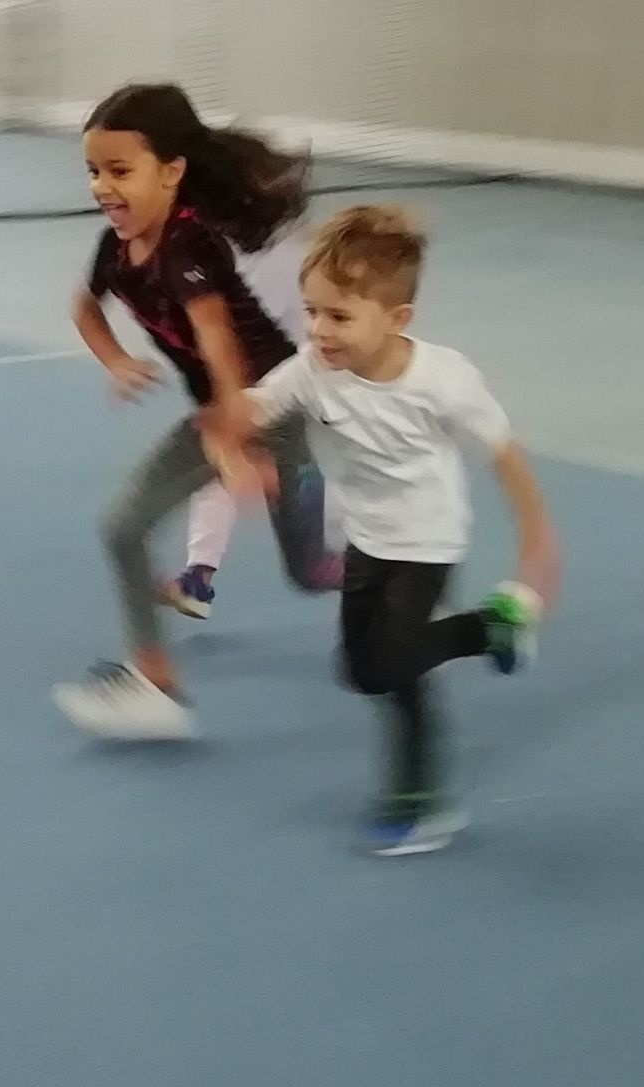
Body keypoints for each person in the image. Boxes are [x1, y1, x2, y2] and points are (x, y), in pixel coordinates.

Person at [202, 203, 560, 854]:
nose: (319, 330)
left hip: (428, 542)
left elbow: (504, 451)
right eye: (312, 312)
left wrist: (537, 536)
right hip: (366, 540)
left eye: (338, 316)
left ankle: (421, 799)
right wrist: (230, 437)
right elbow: (252, 409)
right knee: (365, 671)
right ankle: (491, 632)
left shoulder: (442, 381)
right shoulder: (312, 371)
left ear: (398, 318)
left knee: (395, 666)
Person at [53, 83, 339, 741]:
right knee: (123, 527)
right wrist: (117, 362)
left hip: (269, 406)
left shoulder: (188, 248)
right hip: (223, 411)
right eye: (94, 171)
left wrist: (236, 441)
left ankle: (398, 578)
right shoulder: (114, 248)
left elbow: (218, 343)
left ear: (171, 171)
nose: (102, 187)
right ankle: (155, 683)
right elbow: (85, 309)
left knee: (313, 570)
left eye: (120, 170)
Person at [160, 223, 346, 619]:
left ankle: (400, 577)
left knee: (315, 562)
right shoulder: (221, 262)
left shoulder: (282, 266)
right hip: (263, 399)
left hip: (302, 409)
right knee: (216, 469)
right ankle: (198, 578)